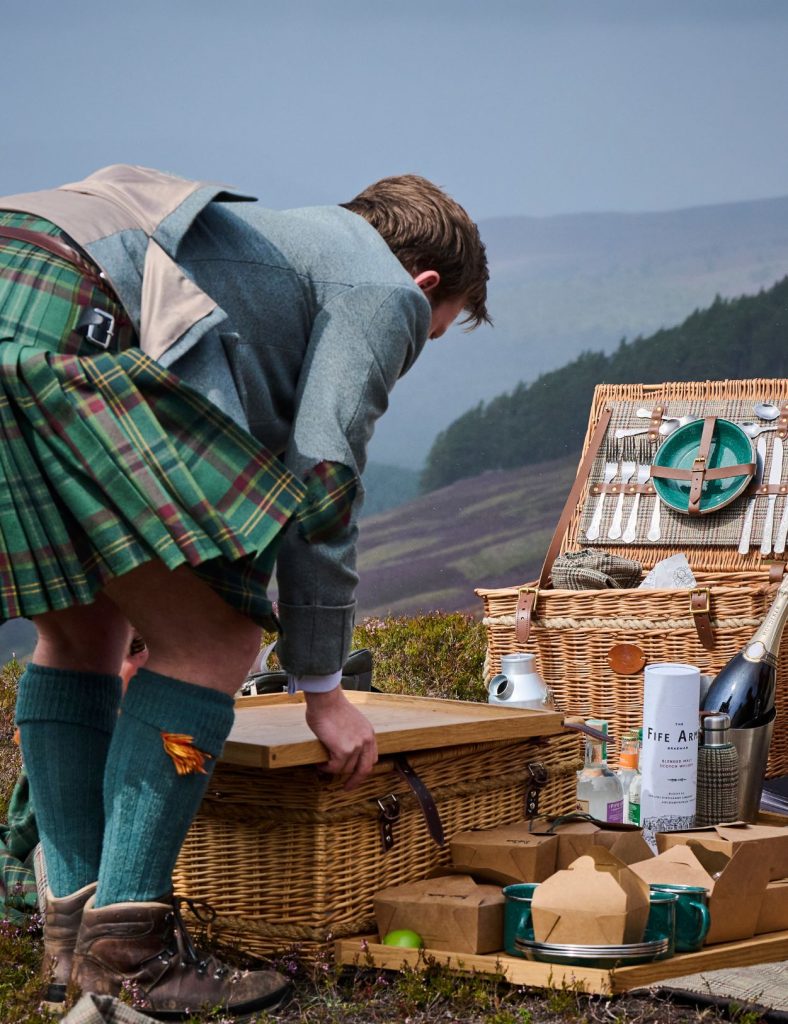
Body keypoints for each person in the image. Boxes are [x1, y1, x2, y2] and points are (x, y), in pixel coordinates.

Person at [0, 164, 489, 1017]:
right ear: (424, 286)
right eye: (433, 332)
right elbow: (326, 474)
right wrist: (322, 687)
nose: (415, 345)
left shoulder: (279, 248)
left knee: (82, 636)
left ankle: (72, 949)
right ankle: (130, 958)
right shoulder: (382, 290)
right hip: (71, 311)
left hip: (19, 274)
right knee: (217, 643)